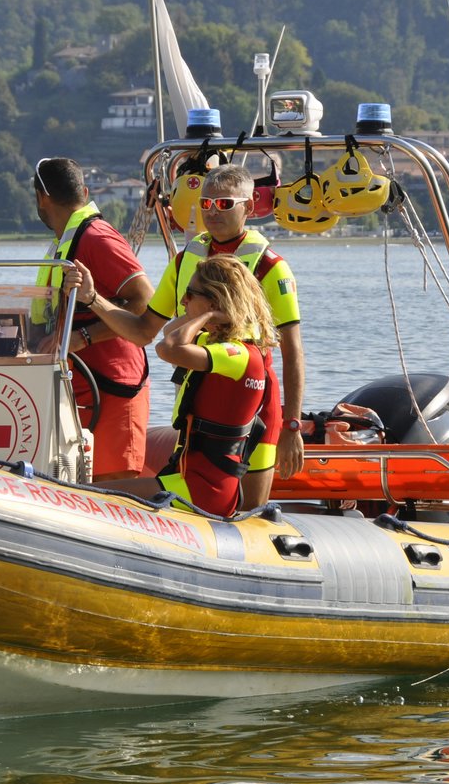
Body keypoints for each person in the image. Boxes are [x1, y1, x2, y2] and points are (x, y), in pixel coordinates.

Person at [72, 163, 306, 488]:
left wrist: (291, 427)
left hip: (253, 406)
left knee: (246, 509)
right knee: (197, 490)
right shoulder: (184, 261)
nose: (212, 211)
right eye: (205, 203)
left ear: (250, 206)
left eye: (224, 204)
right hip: (199, 402)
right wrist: (94, 299)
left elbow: (292, 353)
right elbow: (143, 331)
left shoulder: (271, 267)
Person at [86, 255, 279, 519]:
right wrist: (207, 312)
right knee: (89, 493)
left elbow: (168, 348)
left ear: (215, 300)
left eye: (190, 294)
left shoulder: (236, 354)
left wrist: (209, 313)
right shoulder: (218, 345)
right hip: (189, 481)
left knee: (87, 496)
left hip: (203, 491)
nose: (183, 301)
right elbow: (168, 333)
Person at [28, 157, 155, 481]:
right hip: (79, 386)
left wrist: (82, 338)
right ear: (83, 191)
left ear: (41, 198)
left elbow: (144, 299)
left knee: (112, 494)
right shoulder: (64, 243)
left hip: (112, 389)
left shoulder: (97, 238)